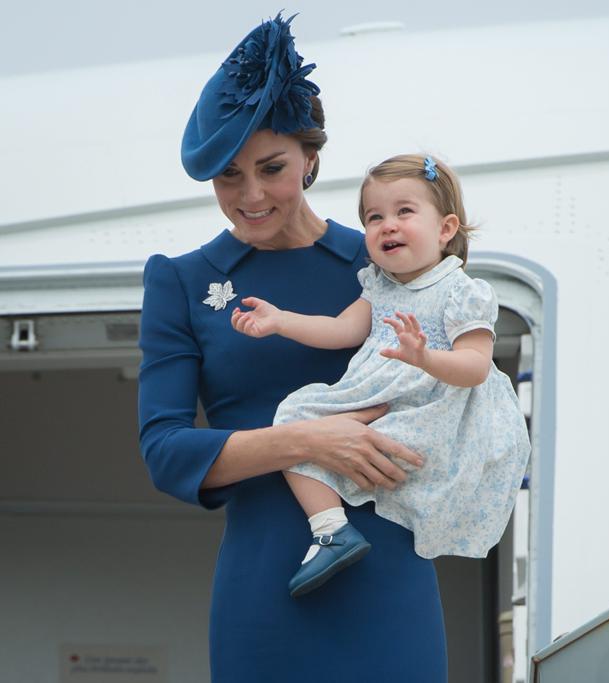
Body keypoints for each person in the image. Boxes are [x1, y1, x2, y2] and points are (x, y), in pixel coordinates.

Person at [138, 14, 447, 681]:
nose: (250, 197)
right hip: (267, 585)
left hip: (390, 574)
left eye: (271, 168)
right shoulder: (184, 281)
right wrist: (308, 440)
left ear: (311, 158)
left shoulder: (385, 266)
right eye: (228, 177)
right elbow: (163, 449)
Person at [230, 154, 531, 598]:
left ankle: (357, 522)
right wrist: (281, 321)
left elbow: (475, 367)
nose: (387, 225)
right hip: (378, 395)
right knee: (295, 413)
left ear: (445, 229)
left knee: (375, 448)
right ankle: (331, 529)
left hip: (432, 409)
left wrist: (425, 357)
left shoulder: (463, 291)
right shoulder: (379, 285)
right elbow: (340, 330)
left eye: (404, 212)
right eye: (374, 217)